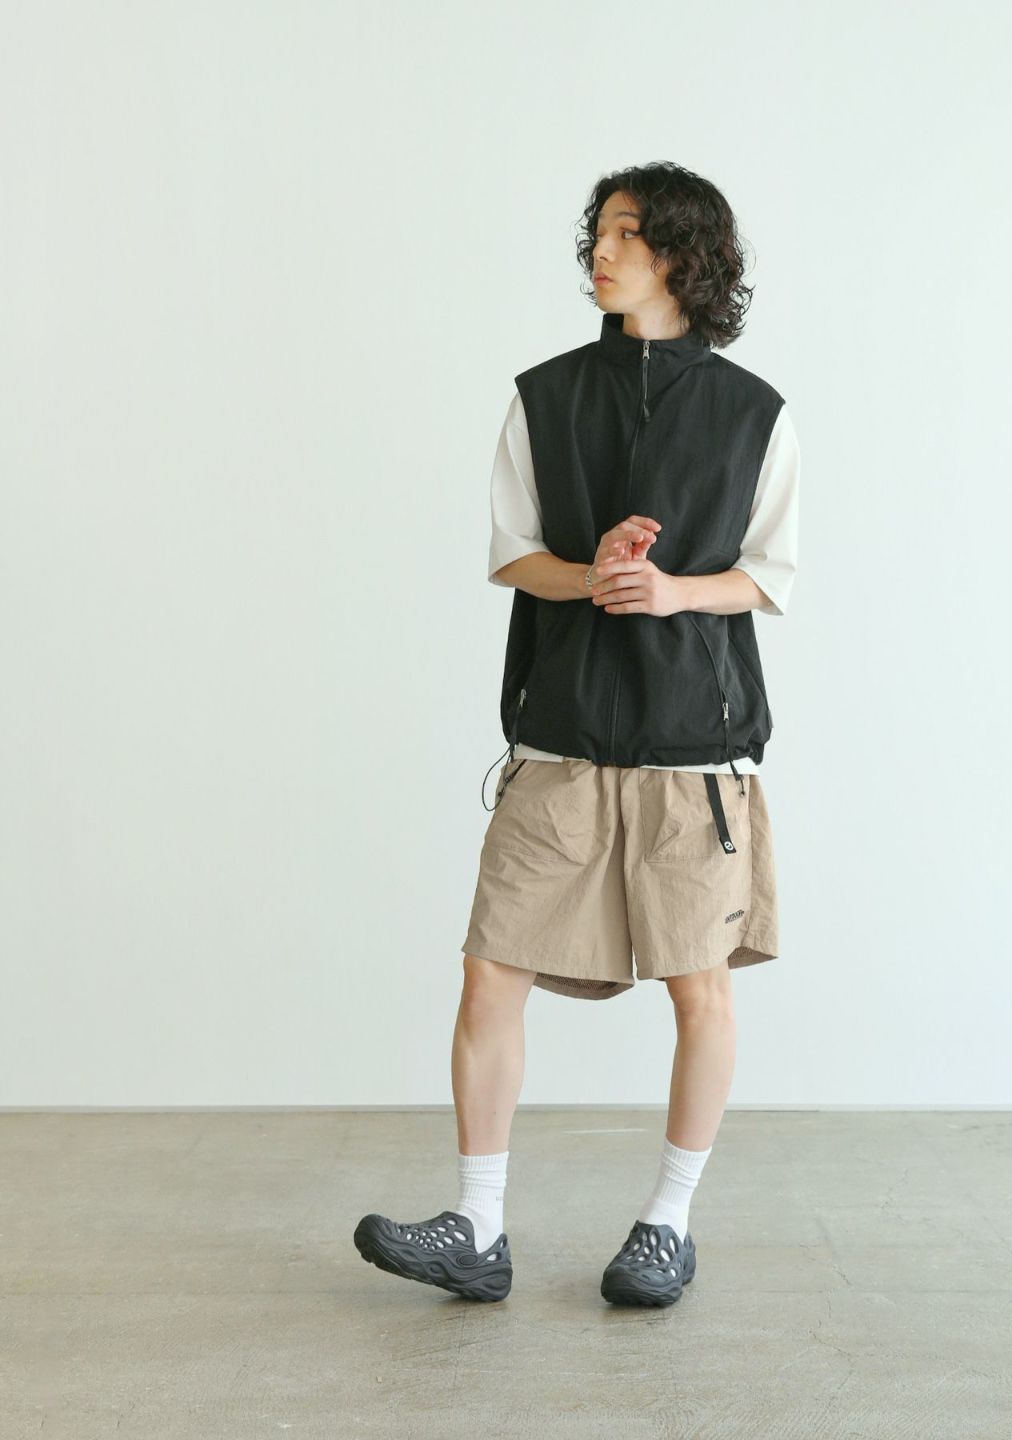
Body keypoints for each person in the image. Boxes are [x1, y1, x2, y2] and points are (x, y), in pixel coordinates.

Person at [354, 162, 800, 1307]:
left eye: (628, 235)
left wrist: (673, 591)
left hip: (696, 752)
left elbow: (769, 575)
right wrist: (592, 573)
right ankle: (477, 1225)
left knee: (701, 992)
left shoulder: (755, 413)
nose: (601, 253)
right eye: (598, 232)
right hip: (560, 735)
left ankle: (668, 1222)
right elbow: (513, 554)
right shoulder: (544, 396)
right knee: (490, 970)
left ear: (684, 255)